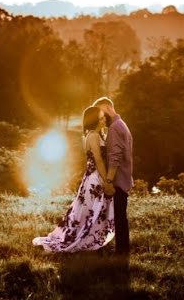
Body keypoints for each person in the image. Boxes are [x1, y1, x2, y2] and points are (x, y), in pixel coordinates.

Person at [32, 106, 115, 253]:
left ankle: (89, 236)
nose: (104, 120)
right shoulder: (94, 136)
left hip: (89, 177)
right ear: (94, 120)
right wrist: (107, 182)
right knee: (92, 210)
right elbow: (99, 161)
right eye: (101, 118)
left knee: (87, 210)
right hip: (96, 178)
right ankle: (85, 239)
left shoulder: (90, 135)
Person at [92, 96, 132, 256]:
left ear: (108, 108)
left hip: (118, 180)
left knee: (120, 217)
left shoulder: (115, 128)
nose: (102, 118)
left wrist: (108, 180)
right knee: (120, 216)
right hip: (123, 178)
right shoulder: (121, 124)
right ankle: (122, 250)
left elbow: (115, 157)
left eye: (102, 113)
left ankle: (122, 252)